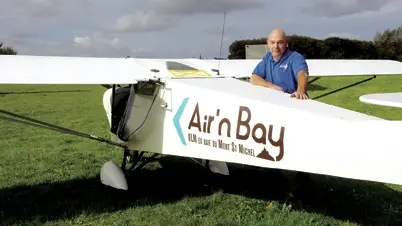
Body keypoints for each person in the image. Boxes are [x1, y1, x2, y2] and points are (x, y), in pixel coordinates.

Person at [250, 28, 309, 100]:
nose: (276, 46)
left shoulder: (296, 57)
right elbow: (254, 78)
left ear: (286, 43)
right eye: (272, 42)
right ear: (268, 43)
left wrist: (300, 91)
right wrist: (271, 86)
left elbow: (302, 73)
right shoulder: (268, 57)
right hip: (275, 102)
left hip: (294, 101)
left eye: (280, 42)